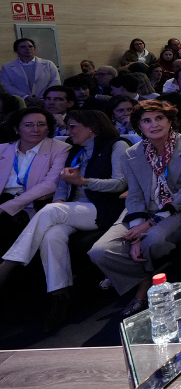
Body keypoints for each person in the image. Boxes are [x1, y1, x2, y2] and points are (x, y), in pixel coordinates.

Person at [0, 110, 128, 331]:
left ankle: (7, 265)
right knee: (52, 235)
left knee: (51, 212)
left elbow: (119, 184)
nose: (67, 132)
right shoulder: (76, 149)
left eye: (72, 127)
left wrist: (84, 181)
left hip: (102, 208)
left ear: (91, 127)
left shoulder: (117, 145)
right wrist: (61, 196)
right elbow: (62, 183)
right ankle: (60, 295)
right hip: (71, 208)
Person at [88, 100, 181, 316]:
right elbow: (134, 194)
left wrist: (149, 226)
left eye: (160, 118)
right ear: (139, 126)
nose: (154, 124)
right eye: (147, 120)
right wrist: (138, 227)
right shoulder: (132, 153)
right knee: (100, 251)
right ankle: (144, 279)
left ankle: (139, 288)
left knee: (153, 240)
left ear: (170, 121)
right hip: (142, 210)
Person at [0, 109, 71, 253]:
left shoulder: (60, 148)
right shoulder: (2, 149)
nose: (35, 129)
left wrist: (6, 207)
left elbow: (50, 184)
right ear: (16, 128)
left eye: (41, 124)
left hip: (31, 202)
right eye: (28, 125)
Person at [1, 38, 61, 104]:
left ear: (34, 49)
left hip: (45, 101)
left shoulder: (48, 64)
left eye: (30, 46)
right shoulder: (7, 67)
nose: (28, 48)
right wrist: (26, 97)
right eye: (23, 47)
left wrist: (42, 97)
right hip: (21, 102)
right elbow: (7, 86)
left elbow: (55, 82)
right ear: (17, 50)